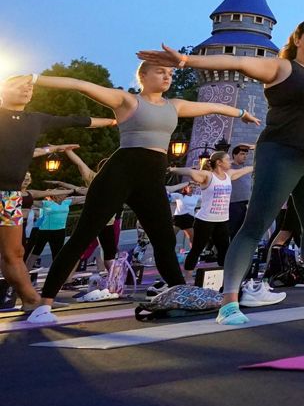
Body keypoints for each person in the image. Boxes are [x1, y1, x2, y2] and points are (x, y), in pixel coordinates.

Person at [136, 22, 304, 325]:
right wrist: (187, 61)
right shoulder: (282, 68)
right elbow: (238, 61)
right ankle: (229, 303)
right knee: (255, 226)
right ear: (298, 39)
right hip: (282, 152)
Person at [29, 64, 259, 323]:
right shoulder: (127, 100)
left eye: (170, 74)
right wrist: (35, 78)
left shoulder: (175, 105)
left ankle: (179, 292)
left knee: (164, 240)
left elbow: (215, 107)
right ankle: (44, 304)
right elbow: (80, 85)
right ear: (143, 76)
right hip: (119, 174)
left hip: (151, 180)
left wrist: (242, 113)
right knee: (83, 234)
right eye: (161, 72)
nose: (167, 76)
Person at [1, 74, 108, 318]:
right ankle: (31, 300)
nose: (27, 90)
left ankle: (31, 300)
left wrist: (116, 121)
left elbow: (74, 121)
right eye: (19, 86)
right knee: (10, 253)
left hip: (9, 195)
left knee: (14, 253)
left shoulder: (35, 120)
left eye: (29, 87)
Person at [172, 151, 255, 271]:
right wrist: (172, 169)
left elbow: (247, 169)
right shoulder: (208, 176)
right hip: (205, 220)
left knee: (224, 250)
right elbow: (189, 171)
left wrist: (264, 162)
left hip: (222, 221)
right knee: (197, 249)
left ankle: (224, 280)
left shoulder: (229, 175)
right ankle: (186, 279)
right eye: (227, 160)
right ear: (219, 163)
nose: (230, 162)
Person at [226, 145, 255, 239]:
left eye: (246, 154)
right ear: (234, 155)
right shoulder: (228, 168)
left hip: (246, 204)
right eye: (242, 154)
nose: (245, 156)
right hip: (233, 204)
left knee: (241, 231)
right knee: (231, 230)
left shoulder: (246, 169)